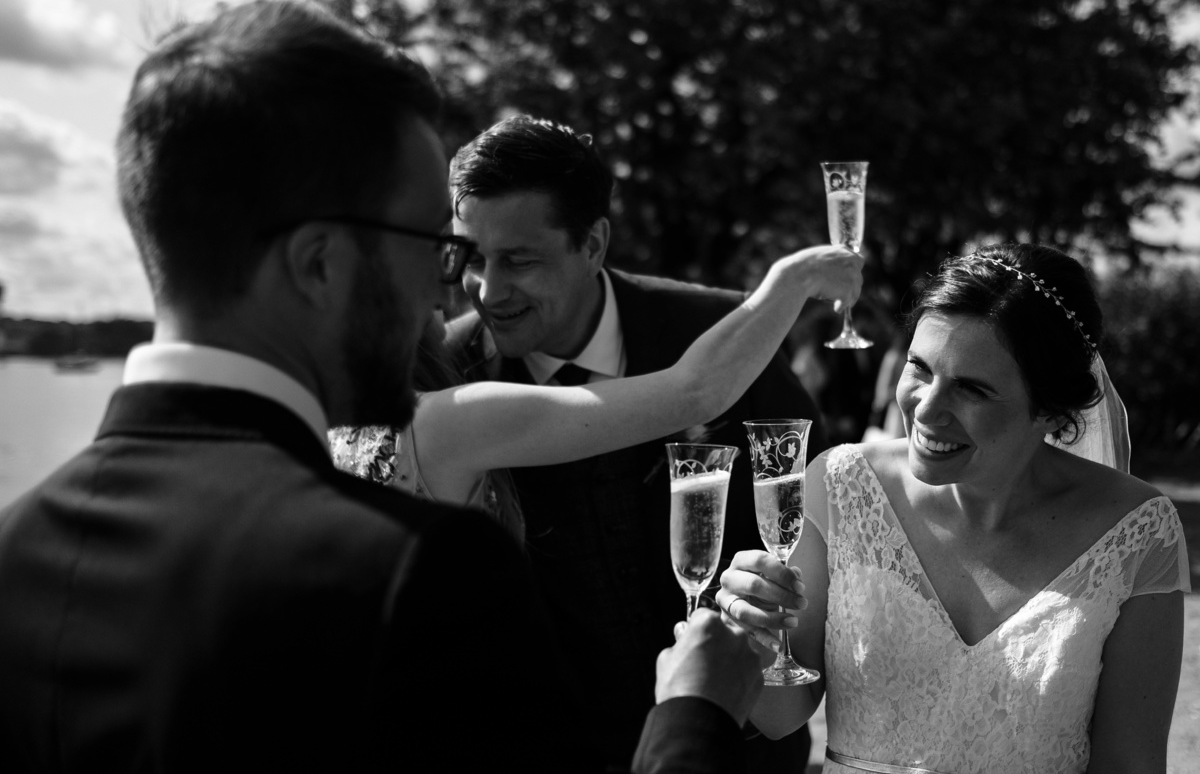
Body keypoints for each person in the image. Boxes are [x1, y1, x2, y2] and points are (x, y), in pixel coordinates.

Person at [0, 0, 767, 774]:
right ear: (320, 263)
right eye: (436, 243)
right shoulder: (420, 575)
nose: (452, 291)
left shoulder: (16, 555)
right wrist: (692, 715)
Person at [444, 115, 827, 770]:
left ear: (593, 244)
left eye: (518, 260)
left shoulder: (728, 335)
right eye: (470, 257)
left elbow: (812, 512)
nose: (487, 288)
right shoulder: (447, 380)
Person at [717, 243, 1189, 773]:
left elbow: (1131, 762)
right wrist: (752, 633)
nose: (927, 408)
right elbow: (781, 716)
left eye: (971, 389)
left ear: (1052, 412)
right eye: (919, 368)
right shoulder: (840, 485)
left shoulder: (1137, 530)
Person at [330, 241, 864, 545]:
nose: (461, 288)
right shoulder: (446, 422)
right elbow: (694, 391)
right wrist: (793, 279)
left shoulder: (336, 431)